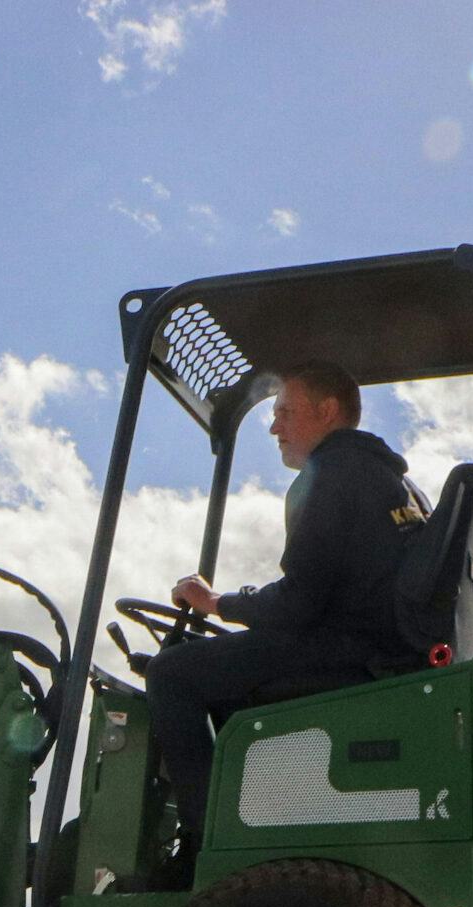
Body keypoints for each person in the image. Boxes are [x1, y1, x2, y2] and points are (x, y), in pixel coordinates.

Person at [147, 360, 421, 874]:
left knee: (173, 673)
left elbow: (297, 605)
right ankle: (254, 821)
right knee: (218, 677)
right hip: (374, 649)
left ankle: (204, 847)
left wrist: (219, 603)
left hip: (345, 652)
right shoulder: (396, 484)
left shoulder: (332, 475)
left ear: (327, 411)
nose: (274, 428)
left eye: (285, 413)